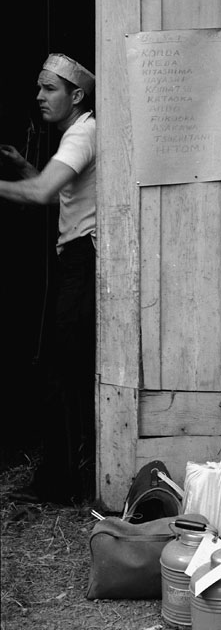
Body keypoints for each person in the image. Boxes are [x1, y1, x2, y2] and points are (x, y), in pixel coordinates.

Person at [1, 53, 96, 504]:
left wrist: (24, 184)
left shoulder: (82, 135)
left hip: (83, 260)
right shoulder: (81, 132)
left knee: (63, 375)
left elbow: (42, 195)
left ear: (76, 96)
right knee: (64, 372)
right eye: (39, 88)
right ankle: (66, 478)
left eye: (49, 88)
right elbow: (57, 191)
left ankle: (62, 484)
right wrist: (22, 167)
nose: (39, 96)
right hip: (77, 259)